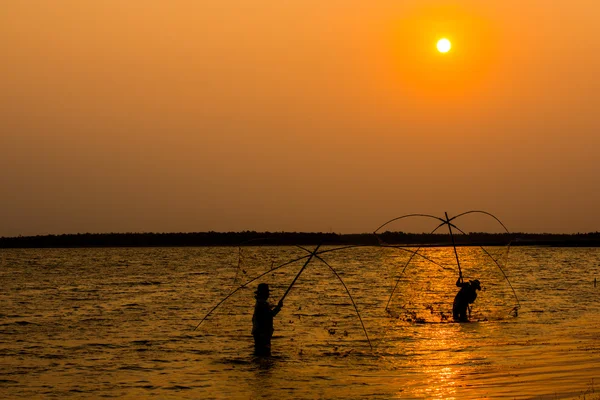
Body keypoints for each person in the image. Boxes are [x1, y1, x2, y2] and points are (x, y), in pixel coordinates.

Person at [252, 283, 283, 356]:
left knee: (259, 352)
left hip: (258, 332)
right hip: (262, 334)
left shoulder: (259, 303)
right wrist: (278, 307)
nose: (268, 295)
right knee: (264, 353)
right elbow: (271, 315)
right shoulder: (262, 304)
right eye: (267, 293)